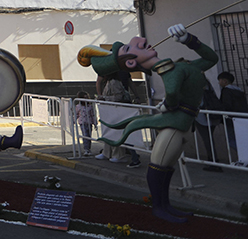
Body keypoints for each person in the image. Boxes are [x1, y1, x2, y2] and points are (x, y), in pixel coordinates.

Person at [78, 24, 218, 223]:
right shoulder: (172, 70)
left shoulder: (179, 67)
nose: (139, 40)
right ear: (131, 63)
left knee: (167, 167)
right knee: (159, 165)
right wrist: (168, 105)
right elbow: (171, 91)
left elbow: (212, 59)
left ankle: (165, 205)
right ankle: (159, 207)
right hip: (174, 127)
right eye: (129, 48)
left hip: (183, 125)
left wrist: (189, 40)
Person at [195, 75, 223, 170]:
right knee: (209, 138)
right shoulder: (207, 84)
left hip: (202, 116)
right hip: (212, 115)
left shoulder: (194, 85)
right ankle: (213, 160)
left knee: (207, 139)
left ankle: (213, 161)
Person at [218, 71, 247, 158]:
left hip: (230, 119)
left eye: (220, 80)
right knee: (242, 139)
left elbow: (227, 105)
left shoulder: (226, 91)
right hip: (242, 118)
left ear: (225, 81)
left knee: (231, 140)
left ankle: (245, 155)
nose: (219, 83)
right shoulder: (239, 91)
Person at [74, 91, 96, 155]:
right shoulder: (78, 106)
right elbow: (76, 114)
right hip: (82, 123)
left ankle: (89, 149)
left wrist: (95, 123)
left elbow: (92, 115)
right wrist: (73, 121)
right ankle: (86, 149)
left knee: (89, 136)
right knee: (85, 135)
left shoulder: (90, 106)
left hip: (89, 122)